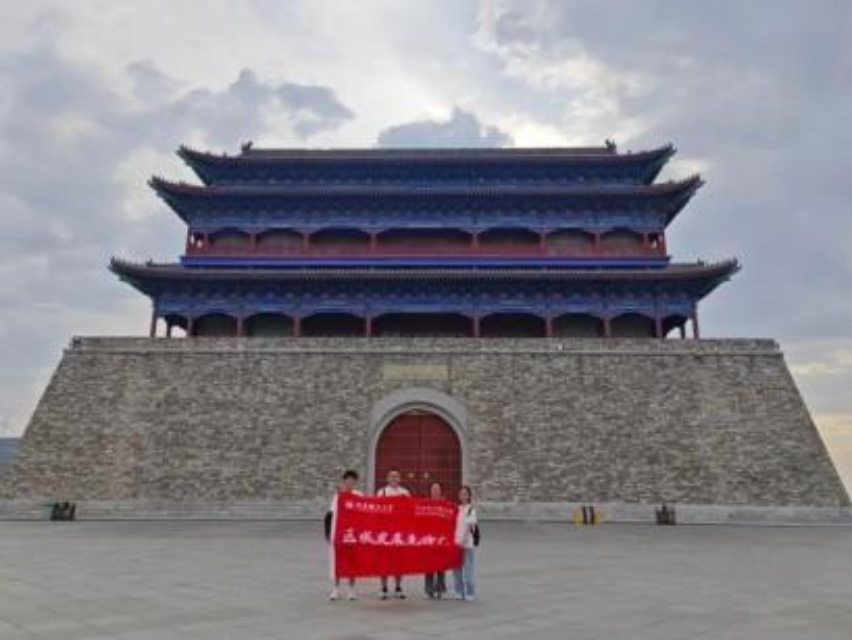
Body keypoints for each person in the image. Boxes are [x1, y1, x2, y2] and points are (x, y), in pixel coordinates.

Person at [376, 468, 410, 599]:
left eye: (396, 476)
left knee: (399, 562)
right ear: (387, 478)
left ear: (400, 479)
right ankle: (383, 588)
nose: (394, 478)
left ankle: (398, 587)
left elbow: (410, 511)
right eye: (392, 476)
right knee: (384, 562)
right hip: (385, 533)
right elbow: (376, 511)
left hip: (400, 533)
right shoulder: (381, 492)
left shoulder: (405, 493)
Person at [327, 469, 361, 601]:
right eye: (348, 480)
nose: (350, 482)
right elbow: (331, 514)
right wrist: (329, 534)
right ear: (344, 481)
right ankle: (335, 589)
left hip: (353, 534)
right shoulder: (337, 496)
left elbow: (363, 513)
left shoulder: (359, 495)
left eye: (352, 480)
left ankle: (351, 590)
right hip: (339, 533)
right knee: (337, 561)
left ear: (355, 482)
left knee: (352, 562)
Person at [423, 482, 448, 599]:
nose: (435, 491)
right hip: (429, 539)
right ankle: (429, 589)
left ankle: (440, 589)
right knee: (429, 566)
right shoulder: (426, 504)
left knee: (441, 566)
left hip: (442, 539)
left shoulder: (445, 504)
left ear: (441, 491)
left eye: (437, 489)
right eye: (433, 489)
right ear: (430, 491)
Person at [453, 485, 477, 601]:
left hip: (467, 545)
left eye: (465, 494)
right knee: (457, 570)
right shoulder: (457, 509)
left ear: (469, 496)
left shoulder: (471, 509)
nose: (463, 496)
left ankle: (470, 592)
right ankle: (459, 591)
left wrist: (463, 540)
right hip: (456, 544)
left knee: (468, 570)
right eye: (461, 494)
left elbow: (470, 526)